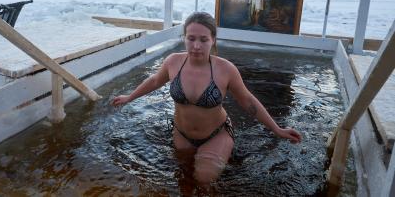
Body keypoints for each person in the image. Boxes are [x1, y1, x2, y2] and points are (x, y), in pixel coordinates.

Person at [111, 12, 301, 186]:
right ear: (184, 38)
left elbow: (248, 101)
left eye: (203, 39)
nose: (196, 46)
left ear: (213, 40)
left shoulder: (225, 69)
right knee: (183, 179)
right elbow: (154, 81)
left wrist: (277, 129)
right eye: (191, 38)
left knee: (204, 180)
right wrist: (129, 97)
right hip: (181, 133)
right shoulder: (173, 62)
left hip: (216, 134)